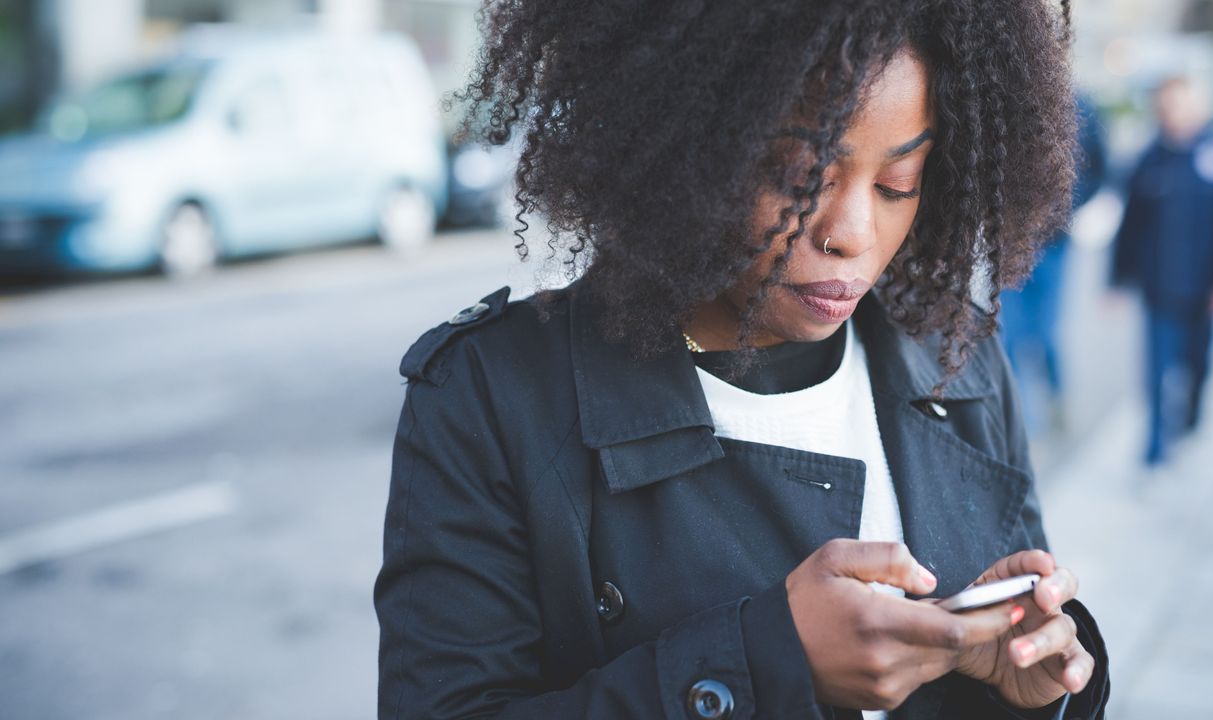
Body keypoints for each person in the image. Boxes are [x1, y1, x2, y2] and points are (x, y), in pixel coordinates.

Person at [376, 2, 1111, 718]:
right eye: (798, 179)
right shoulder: (492, 397)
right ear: (678, 143)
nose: (852, 233)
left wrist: (1020, 686)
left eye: (898, 185)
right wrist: (760, 663)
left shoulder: (961, 361)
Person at [1111, 76, 1213, 467]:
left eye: (1180, 104)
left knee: (1198, 364)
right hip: (1159, 290)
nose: (1172, 114)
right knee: (1156, 374)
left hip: (1205, 289)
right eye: (1165, 106)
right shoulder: (1148, 160)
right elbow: (1130, 226)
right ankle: (1155, 446)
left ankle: (1190, 416)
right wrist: (1118, 280)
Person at [999, 93, 1107, 436]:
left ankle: (1056, 399)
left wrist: (1070, 211)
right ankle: (1019, 420)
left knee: (1046, 335)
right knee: (1009, 335)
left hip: (1054, 244)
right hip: (1008, 243)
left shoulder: (1083, 107)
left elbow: (1102, 167)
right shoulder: (1006, 103)